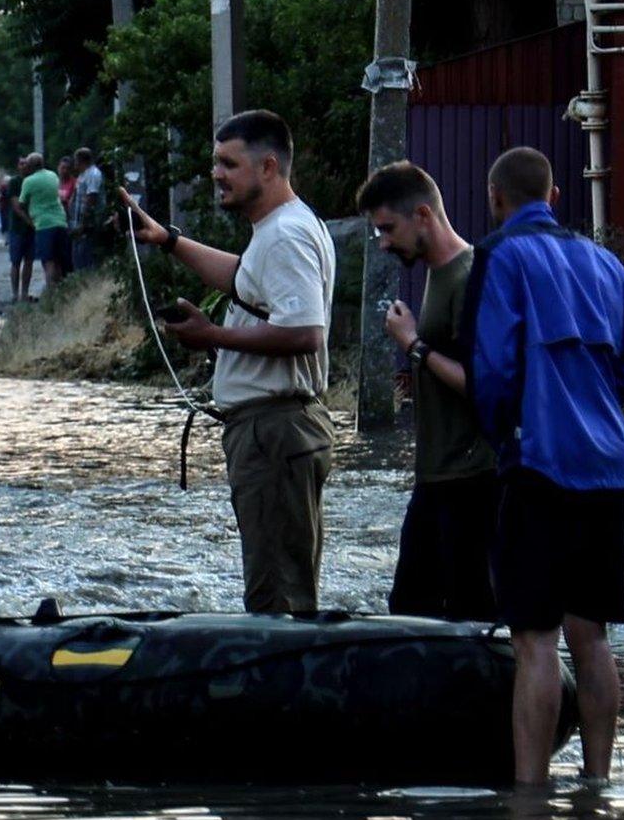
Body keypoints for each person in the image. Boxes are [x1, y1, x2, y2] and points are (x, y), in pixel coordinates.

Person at [461, 145, 624, 788]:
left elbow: (492, 371)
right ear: (556, 197)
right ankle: (598, 781)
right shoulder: (609, 265)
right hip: (608, 467)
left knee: (535, 640)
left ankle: (531, 793)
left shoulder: (499, 256)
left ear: (495, 198)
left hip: (538, 462)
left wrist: (499, 439)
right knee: (590, 635)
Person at [117, 110, 336, 614]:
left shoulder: (286, 236)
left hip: (275, 431)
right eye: (216, 163)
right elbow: (243, 278)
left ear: (268, 167)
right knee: (279, 585)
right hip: (276, 430)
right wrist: (168, 240)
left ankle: (280, 691)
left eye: (228, 164)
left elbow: (305, 333)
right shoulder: (281, 228)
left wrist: (212, 334)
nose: (217, 174)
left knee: (276, 597)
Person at [356, 161, 499, 621]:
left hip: (473, 478)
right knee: (409, 608)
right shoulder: (438, 274)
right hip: (437, 476)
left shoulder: (470, 275)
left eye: (387, 228)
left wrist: (413, 345)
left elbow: (483, 386)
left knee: (470, 612)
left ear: (422, 215)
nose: (383, 242)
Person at [15, 153, 68, 291]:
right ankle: (62, 292)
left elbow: (21, 204)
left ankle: (50, 293)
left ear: (31, 165)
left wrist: (29, 219)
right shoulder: (53, 175)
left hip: (44, 224)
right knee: (59, 261)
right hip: (60, 221)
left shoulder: (29, 181)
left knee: (48, 260)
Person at [0, 166, 36, 302]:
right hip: (17, 228)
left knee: (29, 261)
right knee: (16, 261)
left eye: (26, 164)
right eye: (21, 164)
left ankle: (24, 293)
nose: (24, 167)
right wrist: (30, 222)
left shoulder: (33, 181)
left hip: (30, 229)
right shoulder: (15, 182)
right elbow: (16, 206)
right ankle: (15, 293)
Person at [70, 147, 106, 272]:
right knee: (77, 255)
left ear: (81, 161)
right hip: (78, 221)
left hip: (89, 222)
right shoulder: (82, 175)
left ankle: (88, 278)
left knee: (86, 254)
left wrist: (83, 223)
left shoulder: (93, 174)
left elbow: (91, 198)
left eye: (76, 161)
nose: (74, 164)